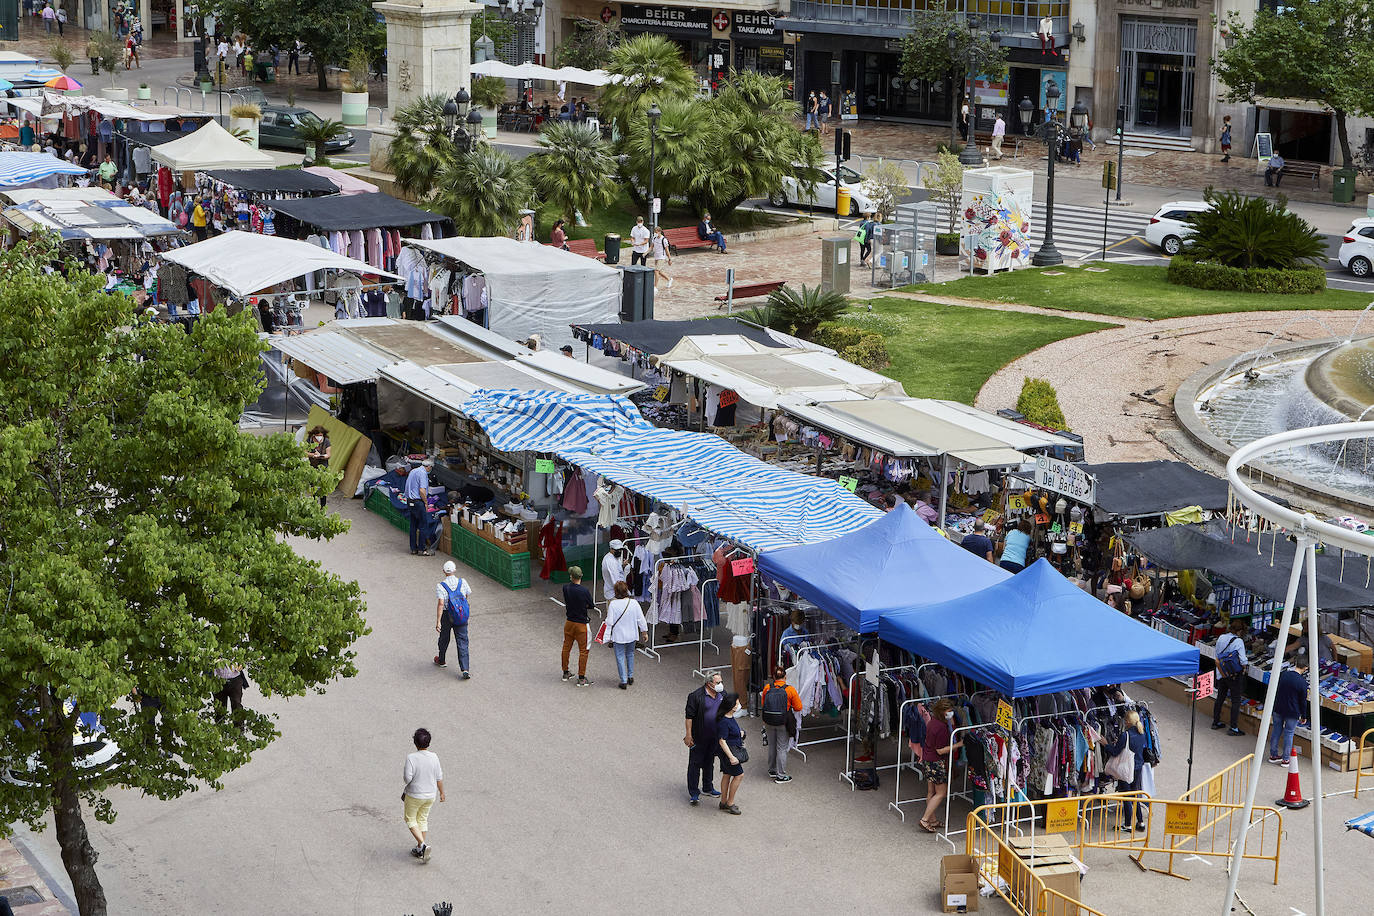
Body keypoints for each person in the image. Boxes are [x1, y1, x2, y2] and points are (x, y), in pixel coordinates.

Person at [918, 697, 963, 832]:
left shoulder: (932, 722)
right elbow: (940, 750)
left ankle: (932, 820)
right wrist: (958, 745)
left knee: (931, 792)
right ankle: (925, 819)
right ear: (943, 712)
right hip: (936, 763)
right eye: (949, 711)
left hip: (927, 759)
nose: (951, 713)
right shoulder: (942, 728)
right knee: (941, 793)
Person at [402, 727, 444, 862]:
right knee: (422, 819)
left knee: (410, 819)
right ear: (429, 743)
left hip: (415, 795)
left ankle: (423, 844)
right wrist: (442, 792)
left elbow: (407, 779)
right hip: (431, 795)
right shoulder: (434, 757)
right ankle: (420, 849)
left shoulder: (411, 758)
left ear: (415, 743)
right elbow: (439, 777)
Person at [684, 672, 727, 805]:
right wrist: (688, 735)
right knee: (695, 764)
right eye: (717, 682)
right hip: (699, 737)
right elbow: (689, 717)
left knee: (709, 762)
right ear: (709, 684)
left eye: (720, 682)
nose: (720, 685)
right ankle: (694, 792)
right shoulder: (695, 696)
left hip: (715, 737)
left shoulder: (722, 695)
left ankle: (707, 787)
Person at [1105, 710, 1148, 831]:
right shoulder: (1141, 733)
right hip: (1138, 767)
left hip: (1127, 768)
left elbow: (1115, 752)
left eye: (1125, 720)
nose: (1124, 722)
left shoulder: (1125, 735)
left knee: (1126, 796)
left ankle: (1128, 824)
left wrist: (1106, 744)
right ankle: (1140, 822)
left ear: (1128, 722)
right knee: (1134, 795)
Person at [761, 666, 802, 782]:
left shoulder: (767, 688)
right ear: (785, 677)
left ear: (774, 677)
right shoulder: (790, 690)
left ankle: (772, 770)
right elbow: (799, 707)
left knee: (772, 745)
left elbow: (764, 704)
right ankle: (781, 775)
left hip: (769, 721)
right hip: (783, 722)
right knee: (782, 748)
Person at [605, 580, 648, 689]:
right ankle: (630, 676)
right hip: (632, 634)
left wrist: (606, 636)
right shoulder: (633, 603)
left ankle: (623, 680)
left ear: (615, 592)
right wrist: (644, 632)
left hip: (618, 636)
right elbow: (641, 619)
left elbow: (609, 622)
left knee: (619, 656)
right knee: (630, 654)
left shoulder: (613, 604)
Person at [433, 560, 472, 678]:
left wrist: (438, 621)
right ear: (455, 570)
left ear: (444, 572)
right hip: (460, 614)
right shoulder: (462, 582)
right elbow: (466, 595)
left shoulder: (441, 586)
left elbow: (441, 603)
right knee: (462, 641)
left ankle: (442, 660)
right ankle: (465, 669)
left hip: (446, 615)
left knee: (444, 638)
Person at [1210, 619, 1248, 735]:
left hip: (1222, 672)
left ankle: (1215, 722)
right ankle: (1233, 727)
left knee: (1220, 697)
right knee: (1235, 700)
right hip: (1234, 675)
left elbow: (1217, 654)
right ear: (1240, 630)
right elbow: (1243, 660)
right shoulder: (1239, 641)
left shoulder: (1221, 637)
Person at [560, 565, 595, 686]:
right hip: (581, 624)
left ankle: (565, 672)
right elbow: (591, 605)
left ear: (571, 576)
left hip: (569, 622)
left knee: (566, 647)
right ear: (581, 576)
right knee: (584, 651)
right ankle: (581, 677)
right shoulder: (584, 591)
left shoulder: (566, 588)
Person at [1269, 660, 1308, 765]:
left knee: (1276, 730)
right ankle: (1285, 759)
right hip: (1292, 711)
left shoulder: (1284, 675)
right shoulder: (1302, 682)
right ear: (1305, 668)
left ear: (1296, 663)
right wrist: (1304, 715)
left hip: (1278, 707)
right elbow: (1303, 701)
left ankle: (1273, 755)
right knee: (1289, 734)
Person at [715, 692, 747, 814]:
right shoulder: (724, 721)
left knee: (727, 774)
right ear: (732, 705)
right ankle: (730, 802)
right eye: (737, 702)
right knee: (739, 775)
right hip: (729, 752)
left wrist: (739, 734)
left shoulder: (727, 717)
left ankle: (723, 801)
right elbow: (722, 741)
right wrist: (732, 757)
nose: (738, 705)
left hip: (727, 751)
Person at [404, 457, 433, 556]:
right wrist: (425, 502)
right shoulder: (423, 474)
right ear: (428, 467)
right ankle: (422, 549)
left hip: (410, 501)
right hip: (418, 502)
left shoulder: (413, 471)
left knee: (413, 525)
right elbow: (422, 490)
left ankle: (413, 548)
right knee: (423, 526)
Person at [305, 425, 331, 508]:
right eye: (318, 435)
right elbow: (305, 452)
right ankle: (314, 506)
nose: (319, 437)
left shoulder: (326, 441)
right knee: (314, 488)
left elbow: (328, 455)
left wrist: (320, 456)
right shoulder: (309, 440)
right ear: (314, 435)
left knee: (323, 488)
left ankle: (323, 507)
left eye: (321, 435)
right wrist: (313, 455)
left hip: (323, 467)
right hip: (312, 467)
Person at [650, 225, 673, 290]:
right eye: (655, 232)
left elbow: (667, 250)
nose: (655, 233)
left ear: (660, 232)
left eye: (656, 232)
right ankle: (669, 279)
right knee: (659, 272)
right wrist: (646, 252)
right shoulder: (654, 238)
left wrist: (669, 259)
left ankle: (655, 287)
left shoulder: (664, 240)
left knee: (656, 271)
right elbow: (651, 247)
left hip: (662, 257)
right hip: (656, 257)